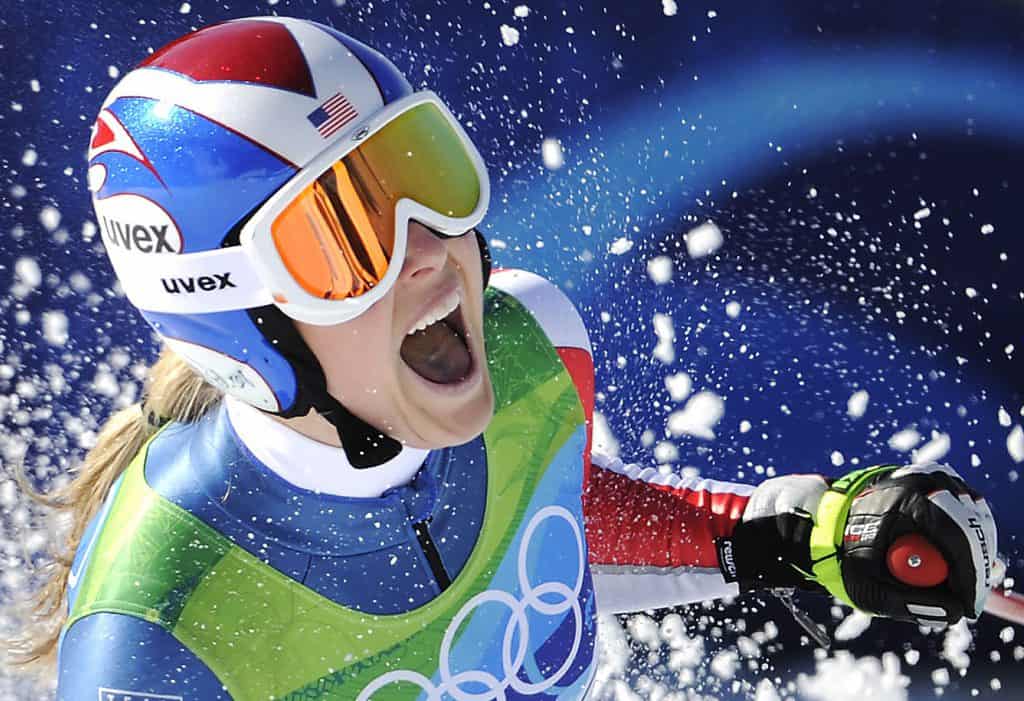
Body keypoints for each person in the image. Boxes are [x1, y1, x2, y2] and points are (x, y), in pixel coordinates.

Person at [15, 17, 997, 701]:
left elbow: (536, 525)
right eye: (345, 235)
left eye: (423, 172)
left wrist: (790, 536)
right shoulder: (153, 642)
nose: (429, 251)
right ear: (240, 327)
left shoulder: (537, 352)